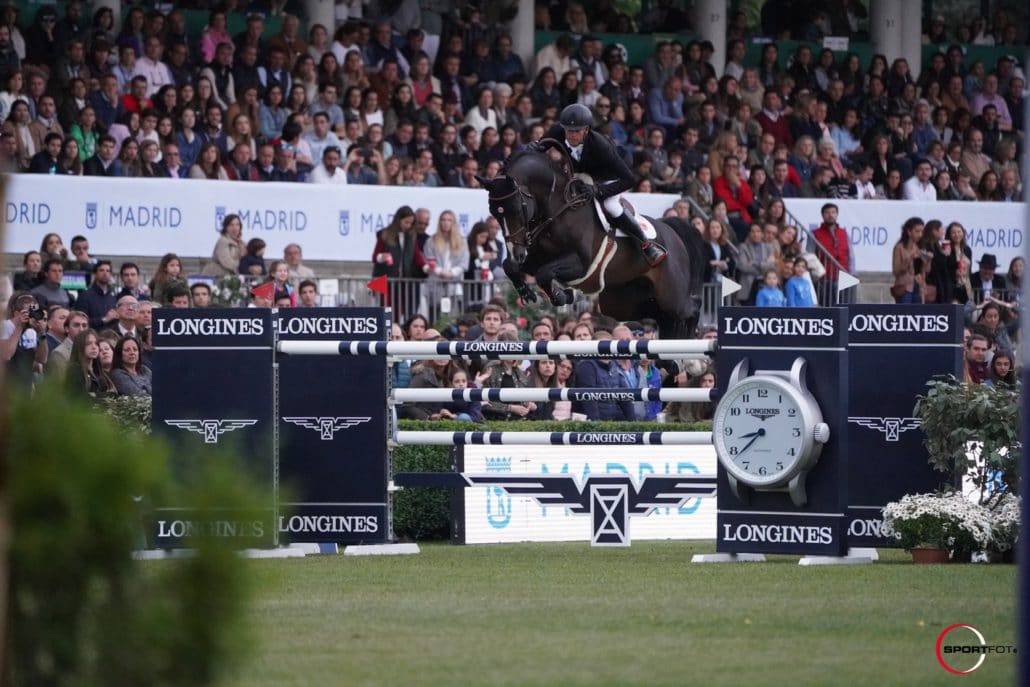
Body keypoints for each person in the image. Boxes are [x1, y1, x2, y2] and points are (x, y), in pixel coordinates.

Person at [531, 103, 667, 266]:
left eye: (577, 131)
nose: (571, 135)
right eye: (568, 130)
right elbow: (539, 148)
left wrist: (597, 190)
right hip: (584, 173)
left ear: (586, 130)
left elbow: (629, 180)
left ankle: (646, 244)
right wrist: (532, 148)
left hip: (612, 174)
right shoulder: (557, 132)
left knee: (610, 205)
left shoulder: (600, 145)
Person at [2, 293, 48, 388]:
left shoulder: (31, 331)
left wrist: (42, 334)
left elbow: (41, 359)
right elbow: (6, 355)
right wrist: (19, 327)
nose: (32, 315)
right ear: (16, 313)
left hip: (24, 387)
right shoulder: (5, 326)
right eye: (28, 312)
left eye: (34, 312)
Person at [423, 210, 469, 306]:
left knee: (453, 316)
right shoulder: (431, 241)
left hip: (454, 286)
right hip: (435, 285)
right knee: (435, 316)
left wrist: (451, 273)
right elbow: (429, 260)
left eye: (449, 220)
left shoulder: (462, 241)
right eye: (443, 220)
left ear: (453, 223)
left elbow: (464, 263)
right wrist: (440, 272)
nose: (446, 223)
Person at [66, 328, 114, 397]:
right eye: (88, 343)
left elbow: (111, 395)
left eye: (96, 343)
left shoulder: (97, 370)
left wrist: (94, 395)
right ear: (80, 346)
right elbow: (79, 399)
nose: (94, 347)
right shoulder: (75, 370)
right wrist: (100, 396)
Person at [891, 217, 927, 304]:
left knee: (918, 314)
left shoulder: (919, 247)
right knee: (905, 313)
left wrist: (927, 260)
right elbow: (896, 271)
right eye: (917, 231)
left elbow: (924, 270)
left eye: (922, 232)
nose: (920, 235)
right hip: (904, 288)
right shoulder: (899, 247)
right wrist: (910, 257)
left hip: (918, 287)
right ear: (909, 232)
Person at [73, 260, 117, 329]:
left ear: (110, 275)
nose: (105, 273)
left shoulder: (113, 296)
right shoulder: (85, 295)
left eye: (108, 271)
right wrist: (104, 320)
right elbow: (80, 321)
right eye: (101, 270)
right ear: (95, 274)